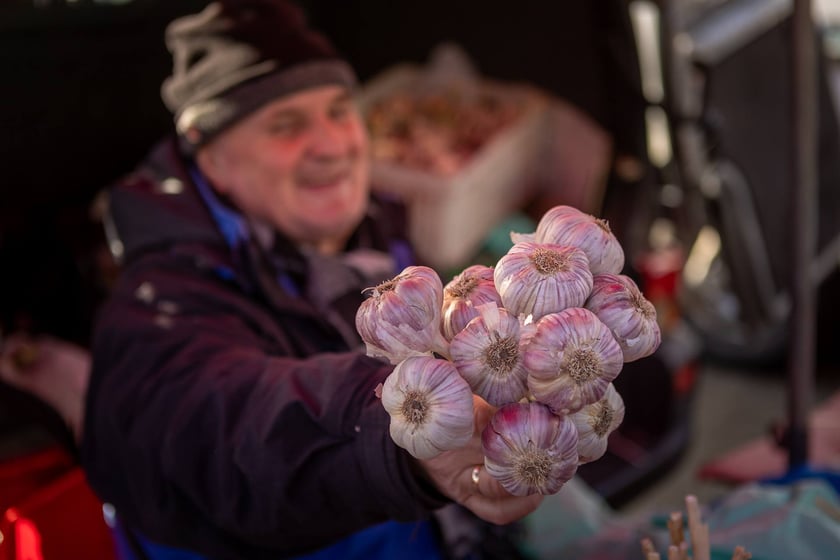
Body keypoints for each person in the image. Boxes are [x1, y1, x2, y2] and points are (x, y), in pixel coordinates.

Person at [78, 1, 542, 559]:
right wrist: (396, 428)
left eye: (339, 111)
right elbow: (225, 430)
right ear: (211, 157)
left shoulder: (377, 235)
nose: (332, 144)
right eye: (286, 125)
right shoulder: (159, 303)